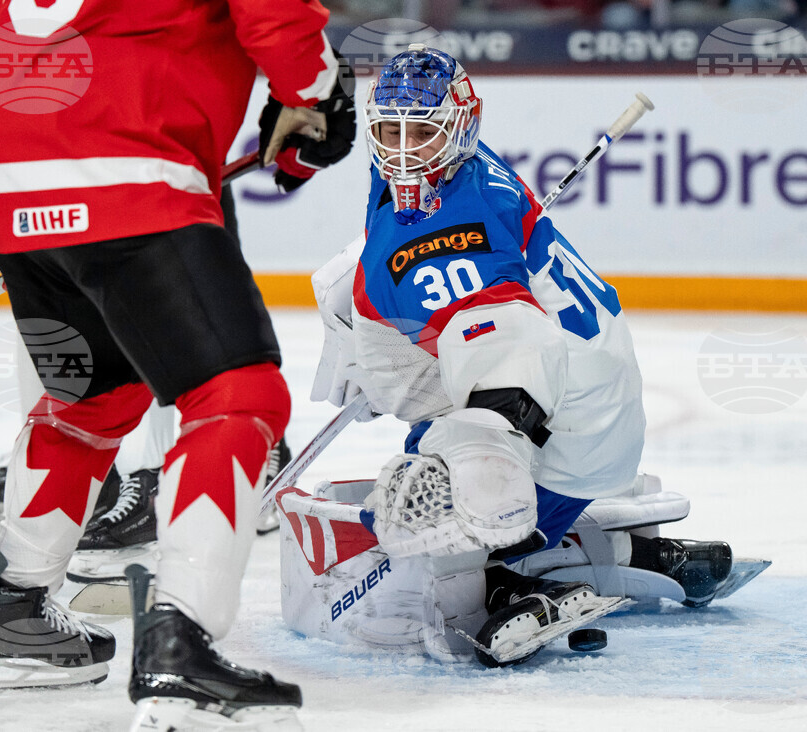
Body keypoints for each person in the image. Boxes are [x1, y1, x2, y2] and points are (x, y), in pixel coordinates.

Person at [0, 2, 355, 730]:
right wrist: (317, 94)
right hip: (129, 159)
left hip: (9, 175)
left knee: (89, 403)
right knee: (236, 393)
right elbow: (275, 17)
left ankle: (11, 612)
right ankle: (179, 643)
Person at [287, 44, 745, 667]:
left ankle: (498, 581)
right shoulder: (448, 168)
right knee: (364, 305)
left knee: (435, 488)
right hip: (589, 390)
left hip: (570, 423)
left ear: (458, 125)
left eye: (418, 132)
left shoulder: (457, 237)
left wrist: (468, 445)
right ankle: (583, 542)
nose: (399, 148)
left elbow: (504, 343)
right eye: (387, 130)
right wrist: (366, 323)